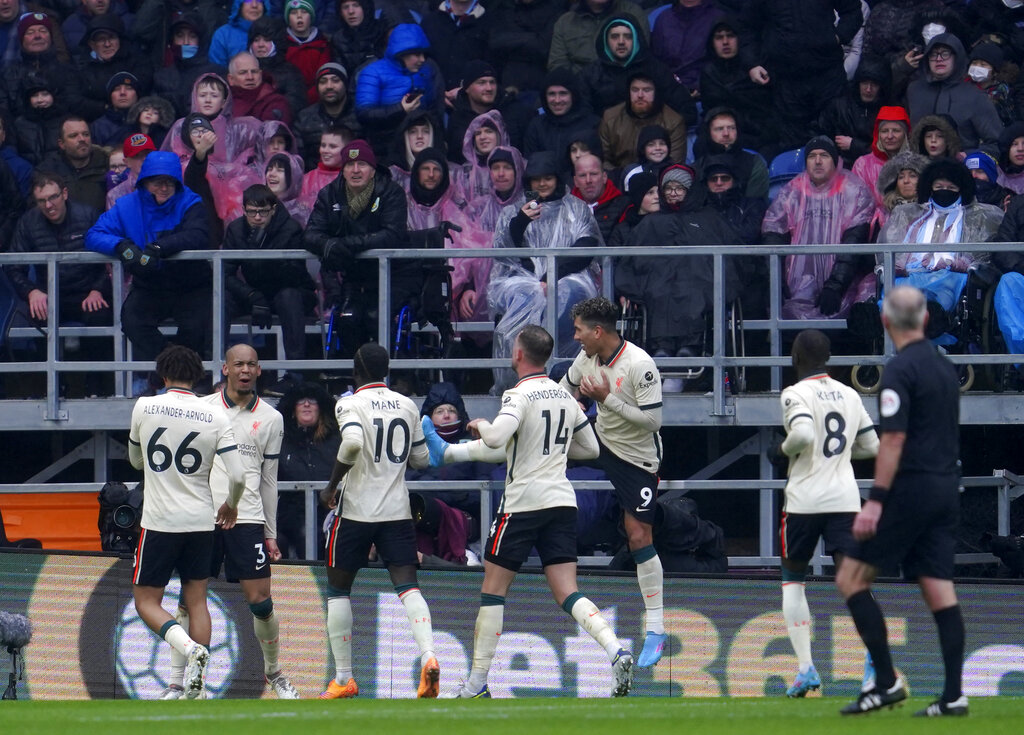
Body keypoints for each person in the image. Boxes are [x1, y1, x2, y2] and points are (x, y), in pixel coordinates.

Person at [422, 324, 634, 698]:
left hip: (522, 504)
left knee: (493, 591)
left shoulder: (518, 395)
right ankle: (615, 648)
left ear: (518, 354)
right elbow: (590, 449)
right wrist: (549, 451)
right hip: (561, 503)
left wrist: (481, 424)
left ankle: (476, 683)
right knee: (567, 591)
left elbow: (496, 438)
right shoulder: (564, 395)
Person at [835, 286, 969, 717]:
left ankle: (887, 682)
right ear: (926, 319)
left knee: (851, 578)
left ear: (885, 321)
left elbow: (892, 440)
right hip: (945, 489)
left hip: (911, 490)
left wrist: (876, 501)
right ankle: (953, 696)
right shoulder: (945, 367)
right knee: (938, 589)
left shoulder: (899, 370)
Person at [160, 344, 299, 699]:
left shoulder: (271, 418)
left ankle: (274, 673)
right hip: (200, 517)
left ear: (259, 370)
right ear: (225, 369)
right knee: (188, 599)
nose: (245, 370)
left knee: (261, 601)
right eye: (238, 364)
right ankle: (178, 682)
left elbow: (269, 480)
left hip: (247, 517)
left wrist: (270, 533)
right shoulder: (202, 408)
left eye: (251, 364)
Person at [318, 343, 439, 699]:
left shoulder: (349, 403)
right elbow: (421, 460)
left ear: (355, 372)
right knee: (408, 587)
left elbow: (352, 444)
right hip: (396, 511)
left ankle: (344, 678)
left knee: (338, 590)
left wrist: (331, 486)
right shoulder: (407, 405)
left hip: (356, 511)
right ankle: (429, 656)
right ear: (386, 371)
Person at [128, 344, 245, 700]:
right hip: (200, 522)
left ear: (163, 375)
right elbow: (238, 476)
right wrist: (231, 505)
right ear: (197, 376)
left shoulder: (145, 406)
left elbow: (136, 461)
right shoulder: (216, 416)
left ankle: (189, 649)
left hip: (160, 521)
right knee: (197, 602)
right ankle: (197, 685)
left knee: (146, 601)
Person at [558, 296, 667, 668]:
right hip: (599, 441)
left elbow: (653, 422)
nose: (576, 337)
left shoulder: (640, 364)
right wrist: (565, 405)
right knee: (538, 447)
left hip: (636, 457)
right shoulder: (586, 358)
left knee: (638, 536)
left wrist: (606, 399)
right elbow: (565, 389)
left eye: (579, 331)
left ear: (597, 331)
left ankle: (656, 629)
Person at [771, 329, 879, 697]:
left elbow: (802, 436)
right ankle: (875, 663)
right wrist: (842, 454)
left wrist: (782, 450)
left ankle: (805, 669)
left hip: (804, 502)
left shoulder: (795, 393)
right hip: (844, 500)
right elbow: (872, 445)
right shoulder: (850, 394)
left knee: (793, 581)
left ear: (795, 358)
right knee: (855, 584)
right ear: (828, 358)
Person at [85, 150, 211, 391]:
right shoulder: (127, 206)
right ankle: (175, 367)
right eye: (156, 182)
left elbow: (198, 235)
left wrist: (160, 247)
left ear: (177, 183)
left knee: (196, 326)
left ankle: (168, 375)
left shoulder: (191, 201)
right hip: (150, 284)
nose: (163, 188)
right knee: (132, 320)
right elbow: (94, 235)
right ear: (144, 182)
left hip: (191, 284)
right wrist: (121, 246)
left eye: (169, 182)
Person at [488, 150, 602, 385]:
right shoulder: (513, 211)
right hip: (523, 278)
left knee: (566, 294)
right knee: (525, 297)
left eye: (547, 178)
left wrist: (551, 274)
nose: (542, 184)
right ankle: (517, 379)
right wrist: (520, 222)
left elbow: (586, 246)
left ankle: (566, 376)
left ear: (557, 179)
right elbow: (505, 253)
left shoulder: (576, 208)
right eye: (536, 179)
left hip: (570, 276)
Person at [762, 136, 876, 320]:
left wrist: (836, 285)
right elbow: (773, 231)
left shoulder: (854, 191)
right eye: (812, 156)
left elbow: (853, 243)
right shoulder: (792, 190)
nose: (817, 161)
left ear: (835, 160)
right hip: (795, 284)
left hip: (840, 284)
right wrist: (775, 279)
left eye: (824, 155)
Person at [224, 185, 317, 392]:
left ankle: (295, 376)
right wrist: (252, 295)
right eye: (252, 212)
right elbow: (225, 274)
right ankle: (218, 372)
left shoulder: (290, 229)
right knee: (222, 299)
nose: (257, 217)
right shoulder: (236, 230)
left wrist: (263, 256)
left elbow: (295, 274)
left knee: (288, 297)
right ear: (243, 210)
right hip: (253, 293)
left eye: (263, 211)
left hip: (289, 290)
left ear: (273, 209)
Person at [353, 23, 445, 156]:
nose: (422, 59)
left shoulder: (426, 71)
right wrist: (400, 109)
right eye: (417, 54)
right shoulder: (372, 73)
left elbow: (435, 108)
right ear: (402, 53)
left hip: (420, 149)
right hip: (384, 148)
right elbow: (364, 114)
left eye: (424, 54)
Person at [276, 381, 341, 559]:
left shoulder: (336, 440)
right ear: (292, 409)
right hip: (291, 514)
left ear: (321, 408)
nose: (306, 404)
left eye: (312, 400)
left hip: (331, 511)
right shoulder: (281, 440)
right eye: (300, 401)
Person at [906, 33, 1003, 151]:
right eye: (933, 54)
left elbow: (996, 142)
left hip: (961, 161)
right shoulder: (914, 90)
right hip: (919, 161)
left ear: (956, 57)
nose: (938, 59)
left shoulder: (975, 96)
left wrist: (969, 156)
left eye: (945, 54)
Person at [813, 55, 891, 170]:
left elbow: (890, 151)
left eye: (874, 84)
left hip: (876, 170)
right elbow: (819, 135)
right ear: (858, 83)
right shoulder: (839, 106)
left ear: (881, 87)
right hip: (838, 168)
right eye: (864, 83)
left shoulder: (889, 112)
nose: (868, 89)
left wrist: (854, 145)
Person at [598, 71, 686, 171]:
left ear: (656, 93)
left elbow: (674, 164)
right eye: (635, 90)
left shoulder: (673, 121)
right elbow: (602, 159)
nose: (640, 95)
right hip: (618, 176)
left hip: (660, 176)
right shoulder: (611, 117)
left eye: (647, 90)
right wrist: (624, 176)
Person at [547, 0, 648, 75]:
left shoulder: (632, 13)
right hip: (578, 89)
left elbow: (640, 58)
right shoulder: (566, 22)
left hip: (622, 87)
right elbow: (558, 66)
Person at [294, 62, 359, 170]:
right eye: (323, 82)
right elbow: (298, 158)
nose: (329, 86)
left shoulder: (359, 115)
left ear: (345, 85)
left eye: (335, 80)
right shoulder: (304, 118)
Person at [42, 115, 109, 211]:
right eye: (73, 136)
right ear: (62, 144)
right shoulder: (48, 171)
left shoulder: (106, 163)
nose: (82, 139)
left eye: (86, 134)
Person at [571, 152, 628, 242]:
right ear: (575, 181)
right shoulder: (566, 209)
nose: (588, 180)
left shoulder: (624, 207)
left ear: (604, 177)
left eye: (593, 174)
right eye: (582, 175)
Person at [227, 50, 293, 125]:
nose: (250, 77)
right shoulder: (222, 101)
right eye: (243, 73)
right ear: (231, 79)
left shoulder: (275, 102)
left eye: (254, 72)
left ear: (260, 74)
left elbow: (274, 131)